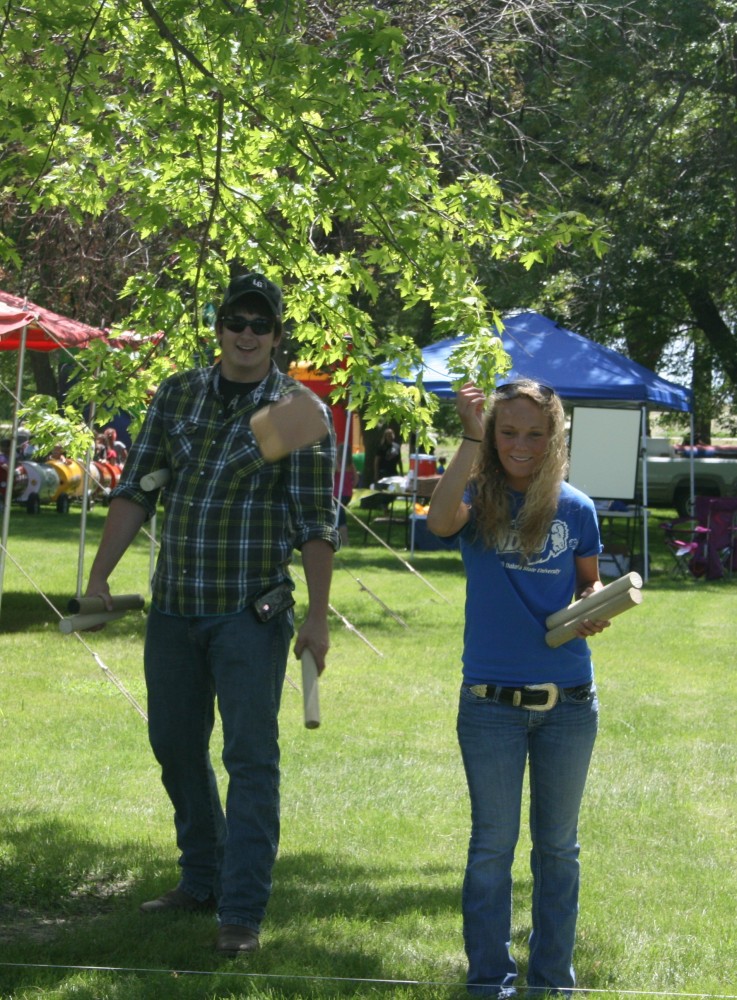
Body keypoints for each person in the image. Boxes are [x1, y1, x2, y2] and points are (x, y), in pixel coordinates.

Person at [83, 272, 338, 957]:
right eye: (235, 320)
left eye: (260, 323)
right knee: (173, 747)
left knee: (250, 760)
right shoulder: (179, 393)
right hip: (173, 609)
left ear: (277, 334)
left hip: (248, 614)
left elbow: (317, 522)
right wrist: (100, 575)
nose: (247, 333)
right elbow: (137, 487)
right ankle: (201, 877)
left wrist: (316, 616)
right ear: (218, 326)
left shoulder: (298, 411)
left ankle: (242, 911)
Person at [427, 379, 609, 997]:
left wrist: (593, 604)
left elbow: (588, 581)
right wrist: (471, 434)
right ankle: (489, 985)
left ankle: (553, 983)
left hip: (569, 705)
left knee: (558, 850)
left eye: (535, 433)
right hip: (489, 706)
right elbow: (436, 518)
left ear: (554, 436)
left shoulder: (576, 507)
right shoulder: (477, 498)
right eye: (509, 431)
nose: (521, 444)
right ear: (492, 434)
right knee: (491, 850)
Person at [333, 444, 358, 547]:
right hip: (347, 495)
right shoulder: (351, 465)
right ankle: (338, 540)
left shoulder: (337, 464)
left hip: (337, 495)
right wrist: (351, 485)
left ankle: (345, 541)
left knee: (340, 519)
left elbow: (334, 473)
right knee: (337, 516)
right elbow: (356, 479)